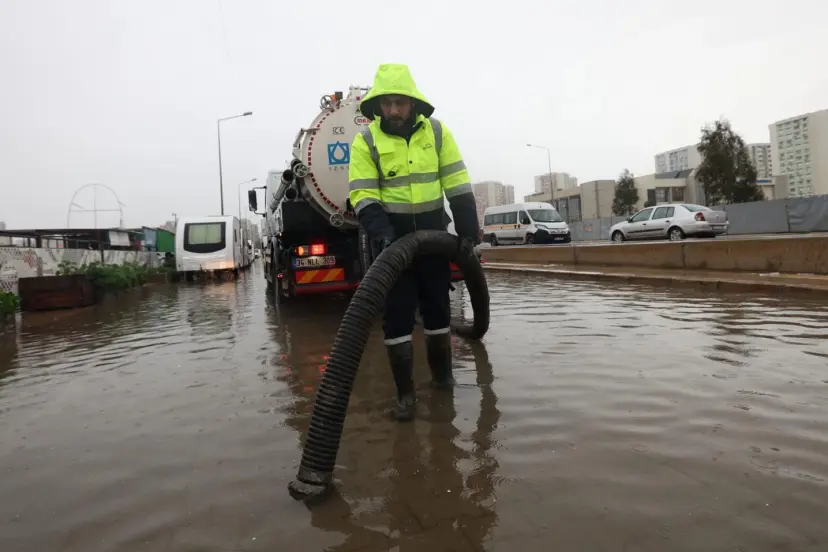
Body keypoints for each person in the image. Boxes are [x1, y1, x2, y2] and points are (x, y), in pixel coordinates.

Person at [348, 63, 480, 421]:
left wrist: (468, 232)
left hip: (435, 243)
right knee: (398, 318)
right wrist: (385, 236)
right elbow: (363, 195)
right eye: (387, 103)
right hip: (392, 247)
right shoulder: (367, 141)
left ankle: (443, 380)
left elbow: (457, 183)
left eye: (400, 103)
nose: (393, 110)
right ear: (378, 105)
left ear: (412, 103)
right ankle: (406, 396)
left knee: (438, 310)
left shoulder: (436, 133)